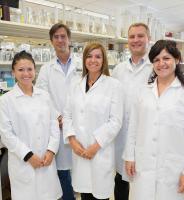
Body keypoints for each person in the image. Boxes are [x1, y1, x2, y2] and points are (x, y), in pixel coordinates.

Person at [123, 39, 184, 200]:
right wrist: (130, 156)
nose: (161, 63)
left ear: (177, 60)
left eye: (166, 58)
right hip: (143, 165)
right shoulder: (143, 91)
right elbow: (133, 127)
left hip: (173, 169)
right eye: (156, 60)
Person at [63, 42, 123, 200]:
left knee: (100, 195)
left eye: (98, 56)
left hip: (100, 152)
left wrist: (95, 147)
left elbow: (115, 121)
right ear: (84, 60)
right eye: (89, 56)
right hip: (79, 150)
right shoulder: (75, 84)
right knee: (85, 194)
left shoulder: (114, 85)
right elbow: (67, 114)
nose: (93, 60)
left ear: (103, 60)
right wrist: (73, 141)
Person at [0, 51, 62, 200]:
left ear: (35, 70)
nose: (26, 74)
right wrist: (28, 156)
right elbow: (6, 135)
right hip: (23, 164)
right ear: (13, 72)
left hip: (46, 161)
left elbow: (54, 124)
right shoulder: (6, 100)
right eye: (21, 70)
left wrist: (51, 150)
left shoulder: (44, 96)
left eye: (29, 69)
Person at [36, 23, 81, 200]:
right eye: (56, 37)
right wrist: (58, 117)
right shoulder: (46, 69)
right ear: (51, 41)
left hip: (80, 123)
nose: (60, 40)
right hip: (58, 124)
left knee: (81, 168)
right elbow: (42, 96)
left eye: (63, 36)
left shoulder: (81, 64)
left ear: (69, 39)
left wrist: (73, 118)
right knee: (62, 170)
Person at [112, 22, 152, 200]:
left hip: (146, 137)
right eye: (132, 36)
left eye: (140, 36)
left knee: (143, 184)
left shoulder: (156, 68)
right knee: (121, 180)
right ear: (127, 40)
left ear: (148, 39)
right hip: (121, 137)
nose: (136, 40)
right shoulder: (119, 69)